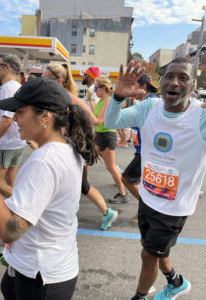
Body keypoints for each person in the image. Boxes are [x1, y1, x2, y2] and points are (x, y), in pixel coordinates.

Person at [0, 77, 97, 300]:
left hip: (42, 277)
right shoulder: (66, 146)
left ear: (44, 116)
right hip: (45, 267)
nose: (14, 118)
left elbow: (10, 230)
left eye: (20, 112)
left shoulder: (45, 161)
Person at [105, 57, 205, 299]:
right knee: (150, 248)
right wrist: (118, 97)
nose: (175, 82)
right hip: (148, 198)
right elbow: (111, 122)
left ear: (193, 84)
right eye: (169, 76)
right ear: (160, 82)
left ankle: (138, 297)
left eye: (183, 78)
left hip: (174, 207)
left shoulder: (200, 116)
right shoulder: (148, 108)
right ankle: (176, 282)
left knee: (148, 256)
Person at [42, 63, 118, 230]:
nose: (42, 81)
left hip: (75, 148)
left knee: (83, 185)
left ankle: (107, 212)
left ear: (58, 81)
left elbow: (95, 121)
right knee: (67, 183)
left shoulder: (69, 97)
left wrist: (104, 108)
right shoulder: (54, 97)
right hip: (63, 148)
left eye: (45, 78)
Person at [119, 74, 158, 220]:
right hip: (142, 152)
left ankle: (148, 210)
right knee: (143, 184)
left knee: (126, 179)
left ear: (143, 86)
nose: (130, 90)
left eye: (132, 86)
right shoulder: (144, 103)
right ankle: (149, 210)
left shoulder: (152, 102)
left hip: (146, 153)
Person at [0, 53, 26, 198]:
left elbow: (7, 120)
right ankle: (16, 214)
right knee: (10, 180)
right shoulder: (17, 86)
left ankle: (23, 205)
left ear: (7, 68)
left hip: (6, 144)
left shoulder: (8, 88)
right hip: (16, 142)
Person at [94, 77, 128, 203]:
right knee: (86, 159)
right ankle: (82, 186)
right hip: (99, 135)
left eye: (96, 88)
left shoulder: (107, 101)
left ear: (103, 88)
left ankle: (123, 193)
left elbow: (98, 120)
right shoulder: (100, 101)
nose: (95, 90)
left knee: (111, 167)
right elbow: (95, 117)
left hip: (106, 135)